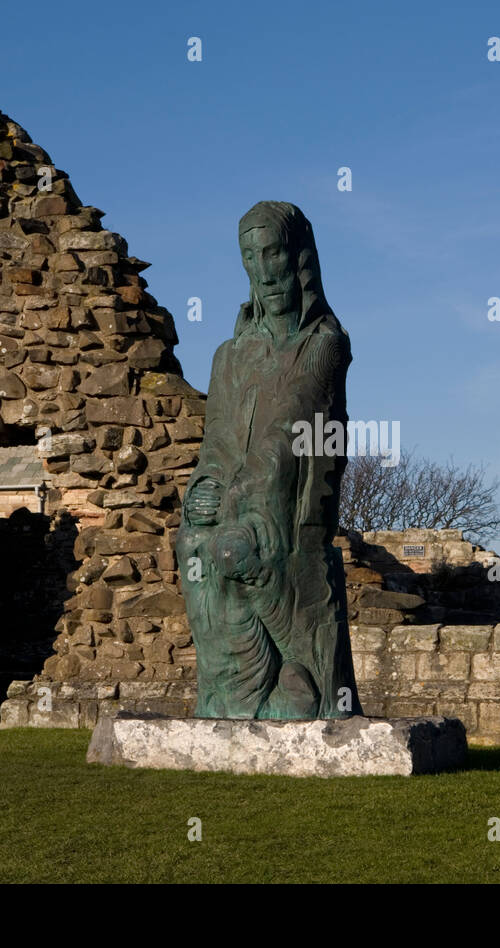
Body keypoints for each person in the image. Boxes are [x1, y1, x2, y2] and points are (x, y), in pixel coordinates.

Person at [177, 201, 361, 719]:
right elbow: (216, 442)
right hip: (243, 494)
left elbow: (291, 432)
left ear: (299, 257)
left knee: (236, 547)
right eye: (250, 257)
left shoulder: (324, 343)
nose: (264, 269)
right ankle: (235, 691)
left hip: (291, 500)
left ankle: (299, 675)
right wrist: (205, 488)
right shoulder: (228, 356)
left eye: (273, 252)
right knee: (193, 543)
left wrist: (239, 496)